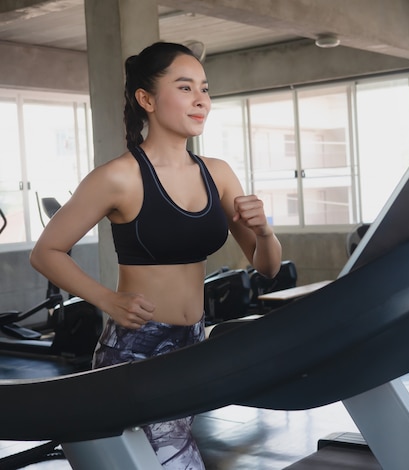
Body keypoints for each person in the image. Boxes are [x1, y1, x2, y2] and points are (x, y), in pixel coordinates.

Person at [30, 41, 282, 469]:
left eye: (204, 88)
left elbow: (267, 266)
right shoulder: (119, 177)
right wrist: (108, 299)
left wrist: (264, 230)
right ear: (145, 99)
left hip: (192, 343)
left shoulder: (217, 173)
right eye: (185, 88)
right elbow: (46, 252)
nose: (201, 99)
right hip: (135, 350)